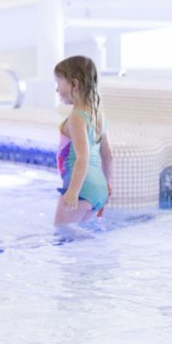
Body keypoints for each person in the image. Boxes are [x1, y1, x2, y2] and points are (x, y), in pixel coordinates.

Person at [54, 55, 114, 227]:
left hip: (81, 187)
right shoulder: (98, 115)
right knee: (80, 236)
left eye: (59, 84)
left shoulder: (76, 118)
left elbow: (82, 157)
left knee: (63, 233)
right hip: (98, 189)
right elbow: (108, 155)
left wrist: (73, 191)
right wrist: (106, 187)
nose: (57, 90)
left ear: (75, 84)